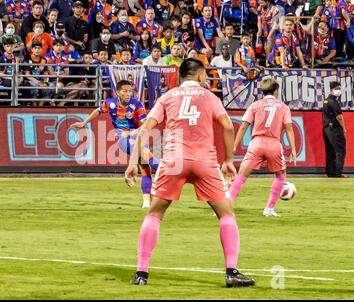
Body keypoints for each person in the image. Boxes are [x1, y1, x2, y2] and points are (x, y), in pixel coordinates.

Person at [124, 58, 255, 287]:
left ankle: (141, 274)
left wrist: (133, 162)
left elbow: (146, 129)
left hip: (174, 160)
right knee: (226, 214)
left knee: (154, 213)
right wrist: (228, 161)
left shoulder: (167, 97)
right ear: (200, 75)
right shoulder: (210, 97)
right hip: (204, 160)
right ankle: (232, 272)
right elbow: (227, 126)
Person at [71, 80, 158, 208]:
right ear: (117, 92)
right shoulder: (110, 103)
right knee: (145, 155)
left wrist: (135, 131)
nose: (128, 94)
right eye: (125, 91)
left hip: (137, 135)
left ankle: (146, 202)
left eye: (130, 91)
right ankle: (163, 169)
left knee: (145, 167)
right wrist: (85, 122)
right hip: (123, 137)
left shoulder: (136, 104)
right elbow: (98, 110)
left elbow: (146, 123)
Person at [229, 78, 297, 217]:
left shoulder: (255, 105)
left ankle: (226, 207)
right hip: (274, 144)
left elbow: (243, 126)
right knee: (280, 176)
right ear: (276, 91)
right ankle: (269, 209)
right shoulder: (283, 107)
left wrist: (234, 146)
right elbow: (289, 128)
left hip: (257, 143)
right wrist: (293, 149)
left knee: (241, 176)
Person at [322, 81, 347, 178]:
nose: (339, 91)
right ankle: (338, 172)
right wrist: (344, 128)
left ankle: (330, 172)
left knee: (330, 151)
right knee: (340, 150)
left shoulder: (326, 100)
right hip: (334, 129)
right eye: (337, 88)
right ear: (332, 89)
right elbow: (339, 117)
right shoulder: (333, 102)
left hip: (326, 129)